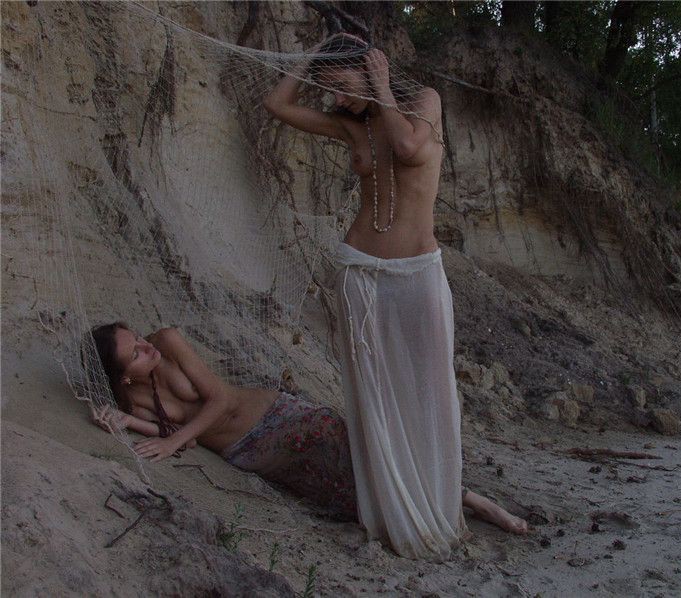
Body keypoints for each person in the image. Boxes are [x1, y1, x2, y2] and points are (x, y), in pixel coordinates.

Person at [263, 34, 527, 561]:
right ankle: (391, 514)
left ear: (371, 69)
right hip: (359, 272)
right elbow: (277, 105)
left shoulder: (425, 102)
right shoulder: (350, 124)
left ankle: (446, 503)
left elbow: (406, 148)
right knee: (375, 397)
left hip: (418, 273)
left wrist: (380, 85)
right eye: (329, 91)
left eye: (342, 86)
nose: (337, 100)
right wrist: (315, 54)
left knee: (431, 394)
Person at [88, 322, 529, 539]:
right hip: (252, 454)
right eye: (135, 353)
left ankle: (470, 498)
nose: (145, 345)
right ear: (123, 377)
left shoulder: (167, 341)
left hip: (279, 417)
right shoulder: (136, 400)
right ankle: (431, 508)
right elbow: (185, 431)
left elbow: (218, 400)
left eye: (137, 336)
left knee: (364, 452)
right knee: (346, 496)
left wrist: (170, 441)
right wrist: (130, 423)